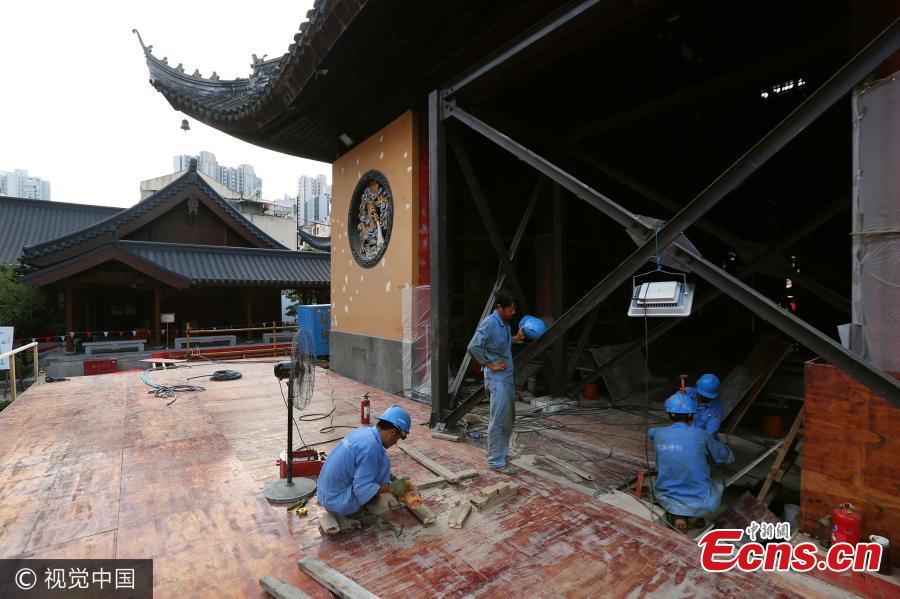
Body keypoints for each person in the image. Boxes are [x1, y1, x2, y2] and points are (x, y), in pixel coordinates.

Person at [649, 391, 735, 532]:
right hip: (701, 502)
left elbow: (651, 432)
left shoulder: (657, 433)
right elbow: (726, 457)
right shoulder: (703, 435)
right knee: (718, 475)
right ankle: (697, 513)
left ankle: (678, 515)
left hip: (666, 495)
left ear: (670, 415)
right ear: (692, 416)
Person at [316, 404, 412, 519]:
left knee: (377, 467)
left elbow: (367, 463)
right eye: (398, 438)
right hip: (336, 503)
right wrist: (391, 488)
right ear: (392, 432)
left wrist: (392, 478)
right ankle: (351, 510)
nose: (396, 442)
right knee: (370, 492)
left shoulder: (364, 433)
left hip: (325, 493)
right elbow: (362, 489)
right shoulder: (370, 448)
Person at [467, 289, 525, 474]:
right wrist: (490, 364)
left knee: (508, 419)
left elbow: (501, 345)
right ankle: (496, 462)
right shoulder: (490, 323)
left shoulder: (505, 324)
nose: (513, 312)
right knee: (499, 420)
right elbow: (473, 347)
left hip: (507, 378)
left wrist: (516, 338)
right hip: (497, 380)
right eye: (509, 309)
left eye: (514, 309)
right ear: (499, 307)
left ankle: (501, 454)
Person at [685, 373, 724, 438]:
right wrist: (678, 398)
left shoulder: (717, 407)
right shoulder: (687, 392)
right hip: (682, 432)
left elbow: (711, 431)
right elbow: (672, 408)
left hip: (701, 439)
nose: (703, 397)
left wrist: (696, 441)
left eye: (707, 396)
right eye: (701, 394)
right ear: (697, 386)